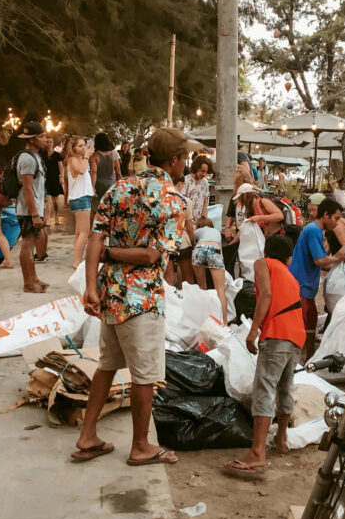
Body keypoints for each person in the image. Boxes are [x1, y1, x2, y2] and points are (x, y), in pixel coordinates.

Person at [74, 126, 202, 466]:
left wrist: (90, 286)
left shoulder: (120, 187)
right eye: (185, 157)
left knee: (106, 365)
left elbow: (95, 239)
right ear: (174, 160)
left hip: (111, 295)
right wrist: (116, 254)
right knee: (145, 374)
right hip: (142, 299)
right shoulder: (174, 201)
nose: (186, 162)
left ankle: (88, 435)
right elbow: (151, 256)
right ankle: (141, 445)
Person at [223, 234, 306, 479]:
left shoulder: (263, 263)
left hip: (277, 333)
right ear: (288, 258)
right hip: (296, 336)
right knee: (284, 387)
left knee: (264, 388)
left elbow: (266, 295)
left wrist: (254, 328)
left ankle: (257, 452)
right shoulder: (291, 276)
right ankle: (281, 437)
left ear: (268, 251)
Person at [290, 198, 345, 358]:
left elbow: (321, 262)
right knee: (307, 325)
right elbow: (320, 260)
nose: (336, 224)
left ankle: (309, 358)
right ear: (326, 215)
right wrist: (337, 257)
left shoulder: (313, 230)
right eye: (335, 218)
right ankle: (307, 361)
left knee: (310, 323)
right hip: (302, 286)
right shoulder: (314, 230)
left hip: (304, 285)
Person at [14, 121, 50, 293]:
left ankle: (33, 278)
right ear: (33, 139)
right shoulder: (27, 158)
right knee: (27, 244)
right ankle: (28, 283)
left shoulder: (34, 156)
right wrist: (35, 214)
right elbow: (27, 188)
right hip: (28, 209)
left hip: (34, 208)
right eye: (42, 136)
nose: (45, 139)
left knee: (31, 243)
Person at [65, 137, 94, 268]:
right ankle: (77, 261)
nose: (83, 148)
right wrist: (87, 156)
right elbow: (81, 171)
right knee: (84, 232)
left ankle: (77, 260)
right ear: (73, 149)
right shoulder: (73, 160)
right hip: (80, 198)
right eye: (80, 146)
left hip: (82, 197)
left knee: (79, 233)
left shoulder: (79, 159)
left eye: (84, 145)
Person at [192, 216, 228, 322]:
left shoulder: (197, 231)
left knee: (202, 287)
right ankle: (224, 323)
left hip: (198, 249)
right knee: (220, 289)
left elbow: (191, 240)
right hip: (214, 250)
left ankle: (203, 320)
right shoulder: (216, 231)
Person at [90, 132, 122, 208]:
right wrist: (119, 187)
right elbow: (118, 173)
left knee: (95, 210)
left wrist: (92, 187)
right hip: (110, 185)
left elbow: (93, 172)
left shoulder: (94, 157)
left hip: (98, 186)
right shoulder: (114, 156)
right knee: (109, 209)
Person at [184, 154, 211, 223]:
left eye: (206, 172)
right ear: (196, 168)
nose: (204, 174)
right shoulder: (186, 181)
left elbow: (205, 201)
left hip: (199, 223)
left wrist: (204, 219)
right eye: (202, 171)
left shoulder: (205, 182)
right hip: (187, 222)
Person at [45, 142, 65, 227]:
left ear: (53, 143)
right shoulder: (42, 154)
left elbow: (61, 167)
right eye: (47, 142)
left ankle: (56, 214)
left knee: (54, 201)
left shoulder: (57, 155)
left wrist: (61, 177)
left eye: (50, 142)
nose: (49, 143)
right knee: (47, 199)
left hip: (55, 179)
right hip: (45, 179)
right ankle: (48, 218)